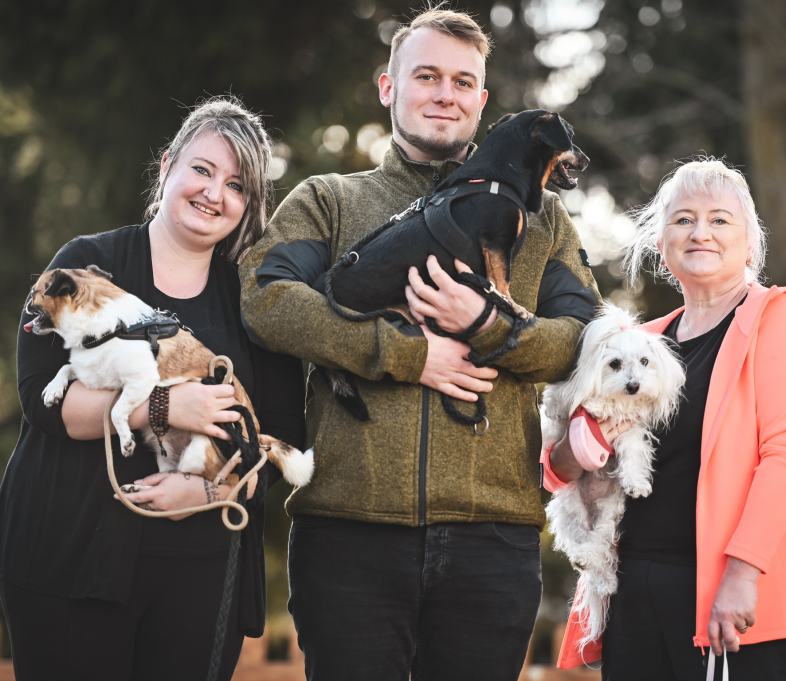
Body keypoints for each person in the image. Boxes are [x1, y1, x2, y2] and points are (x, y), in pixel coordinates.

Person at [238, 8, 599, 680]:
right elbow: (267, 300)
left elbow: (583, 342)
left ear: (482, 103)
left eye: (463, 82)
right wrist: (405, 353)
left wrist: (489, 326)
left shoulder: (544, 219)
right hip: (349, 534)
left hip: (493, 537)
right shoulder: (328, 200)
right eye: (427, 76)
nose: (444, 94)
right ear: (389, 87)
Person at [0, 96, 305, 681]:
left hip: (201, 576)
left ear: (249, 205)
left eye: (237, 185)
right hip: (69, 559)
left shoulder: (255, 299)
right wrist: (160, 405)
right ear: (167, 165)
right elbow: (40, 400)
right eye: (202, 169)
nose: (214, 193)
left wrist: (207, 492)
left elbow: (280, 436)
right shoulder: (87, 264)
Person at [544, 158, 786, 679]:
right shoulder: (638, 349)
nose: (700, 232)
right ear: (661, 244)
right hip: (634, 590)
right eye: (683, 219)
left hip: (734, 589)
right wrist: (576, 449)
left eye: (719, 220)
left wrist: (742, 574)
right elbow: (558, 471)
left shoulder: (782, 320)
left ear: (750, 244)